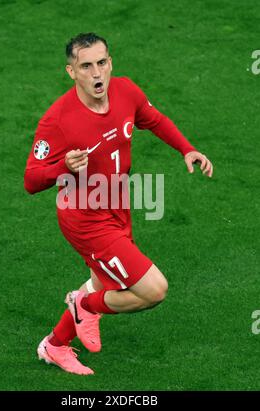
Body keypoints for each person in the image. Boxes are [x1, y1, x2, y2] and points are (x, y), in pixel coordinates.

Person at [24, 33, 213, 375]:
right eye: (86, 66)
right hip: (85, 219)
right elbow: (31, 181)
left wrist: (187, 148)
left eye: (102, 62)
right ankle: (84, 305)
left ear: (110, 62)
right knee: (153, 290)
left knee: (103, 281)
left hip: (117, 207)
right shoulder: (58, 120)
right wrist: (62, 167)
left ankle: (54, 346)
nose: (96, 73)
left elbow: (153, 119)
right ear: (71, 72)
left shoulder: (125, 91)